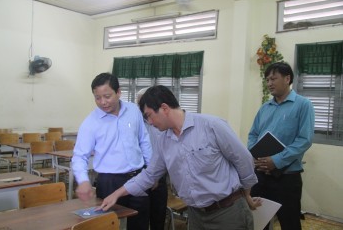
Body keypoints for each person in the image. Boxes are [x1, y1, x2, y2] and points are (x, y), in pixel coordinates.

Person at [97, 85, 262, 230]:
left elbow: (244, 159)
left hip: (227, 212)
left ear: (164, 108)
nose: (148, 122)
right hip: (196, 215)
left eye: (148, 115)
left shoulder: (211, 126)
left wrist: (246, 193)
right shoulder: (163, 141)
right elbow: (149, 175)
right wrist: (117, 194)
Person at [71, 73, 152, 230]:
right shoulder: (90, 123)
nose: (103, 102)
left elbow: (144, 140)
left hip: (139, 178)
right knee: (110, 224)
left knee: (140, 222)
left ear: (119, 92)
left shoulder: (133, 110)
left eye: (107, 96)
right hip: (110, 183)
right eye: (97, 98)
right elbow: (80, 156)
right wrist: (84, 181)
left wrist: (150, 170)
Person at [248, 62, 315, 230]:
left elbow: (304, 139)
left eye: (273, 78)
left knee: (289, 221)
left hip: (287, 177)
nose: (269, 83)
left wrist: (277, 160)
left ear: (287, 79)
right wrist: (255, 154)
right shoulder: (265, 108)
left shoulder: (303, 105)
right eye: (267, 79)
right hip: (261, 174)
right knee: (258, 220)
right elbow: (253, 134)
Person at [136, 88, 168, 230]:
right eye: (140, 103)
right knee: (139, 217)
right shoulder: (134, 122)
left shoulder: (162, 122)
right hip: (140, 173)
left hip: (159, 174)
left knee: (158, 216)